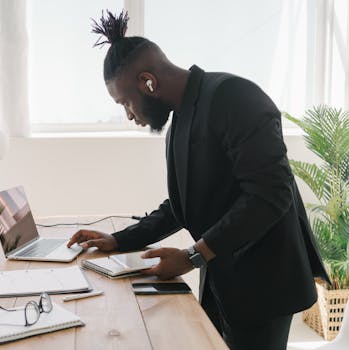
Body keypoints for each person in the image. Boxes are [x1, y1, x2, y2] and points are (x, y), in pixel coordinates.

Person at [67, 10, 330, 350]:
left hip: (265, 282)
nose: (129, 115)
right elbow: (180, 206)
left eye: (125, 103)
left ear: (148, 82)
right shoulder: (178, 124)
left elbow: (270, 195)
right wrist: (117, 241)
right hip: (223, 274)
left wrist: (193, 255)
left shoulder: (234, 95)